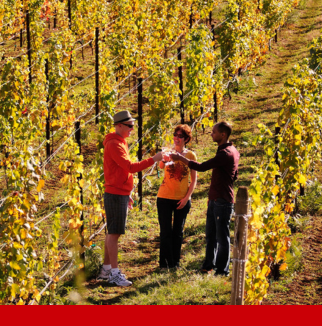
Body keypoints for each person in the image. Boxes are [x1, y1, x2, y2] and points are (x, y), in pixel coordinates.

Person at [98, 110, 163, 286]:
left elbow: (121, 171)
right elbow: (130, 167)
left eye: (133, 125)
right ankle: (114, 273)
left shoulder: (120, 142)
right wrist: (154, 159)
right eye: (129, 126)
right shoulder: (114, 145)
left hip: (119, 192)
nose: (132, 129)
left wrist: (127, 192)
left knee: (112, 232)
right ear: (119, 125)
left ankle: (106, 269)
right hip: (115, 193)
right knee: (114, 234)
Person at [170, 121, 239, 276]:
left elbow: (201, 167)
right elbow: (235, 175)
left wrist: (180, 158)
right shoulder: (232, 150)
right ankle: (208, 265)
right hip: (216, 199)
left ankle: (222, 270)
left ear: (223, 135)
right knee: (211, 235)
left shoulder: (226, 153)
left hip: (222, 200)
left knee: (222, 237)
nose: (211, 134)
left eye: (213, 132)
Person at [156, 125, 197, 269]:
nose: (177, 138)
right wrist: (165, 157)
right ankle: (164, 264)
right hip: (164, 197)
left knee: (178, 232)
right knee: (165, 231)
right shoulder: (168, 152)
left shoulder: (191, 156)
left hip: (182, 198)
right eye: (175, 135)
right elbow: (161, 166)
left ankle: (175, 263)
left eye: (180, 136)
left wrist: (186, 198)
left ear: (186, 139)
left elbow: (194, 180)